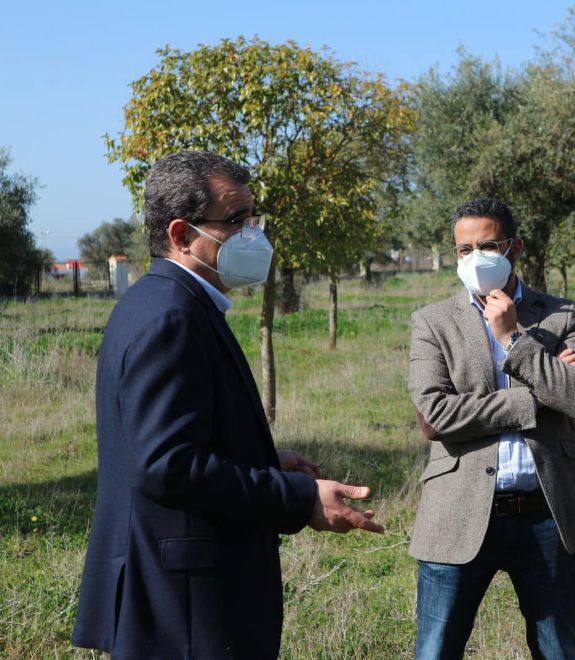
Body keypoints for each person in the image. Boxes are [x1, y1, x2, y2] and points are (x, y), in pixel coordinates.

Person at [71, 151, 384, 659]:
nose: (252, 235)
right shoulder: (172, 317)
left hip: (179, 598)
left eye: (253, 219)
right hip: (186, 609)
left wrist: (261, 459)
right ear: (181, 234)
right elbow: (167, 465)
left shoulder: (161, 301)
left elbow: (167, 443)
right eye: (236, 220)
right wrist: (298, 499)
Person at [408, 198, 575, 659]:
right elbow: (434, 416)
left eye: (488, 246)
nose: (475, 258)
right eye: (464, 249)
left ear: (514, 247)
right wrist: (533, 399)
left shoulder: (558, 314)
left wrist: (514, 339)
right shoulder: (433, 322)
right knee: (436, 651)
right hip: (457, 510)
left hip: (545, 511)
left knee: (557, 651)